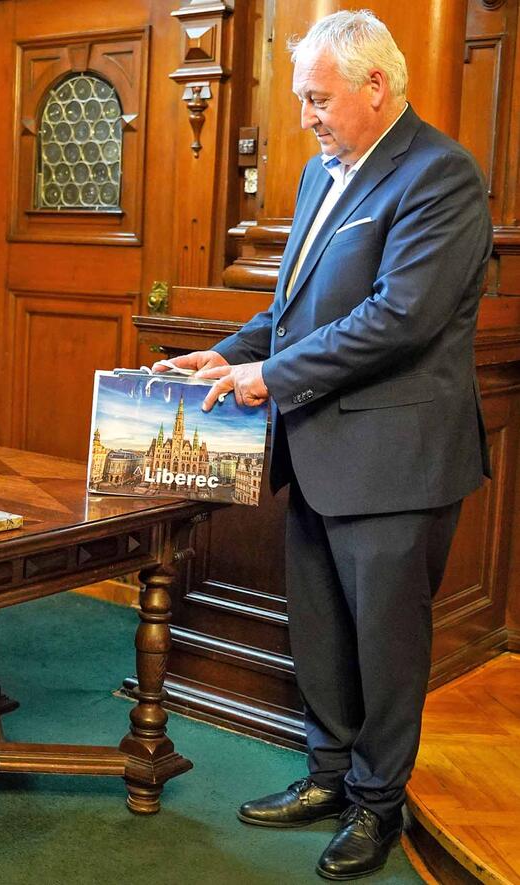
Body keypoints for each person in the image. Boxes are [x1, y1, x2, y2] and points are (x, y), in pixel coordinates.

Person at [158, 11, 492, 881]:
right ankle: (328, 776)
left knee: (385, 641)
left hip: (397, 460)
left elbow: (399, 319)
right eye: (302, 96)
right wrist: (228, 353)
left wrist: (269, 378)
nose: (305, 113)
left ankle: (380, 806)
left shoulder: (441, 175)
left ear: (375, 85)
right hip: (316, 449)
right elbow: (295, 305)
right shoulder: (319, 175)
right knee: (320, 630)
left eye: (318, 96)